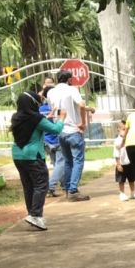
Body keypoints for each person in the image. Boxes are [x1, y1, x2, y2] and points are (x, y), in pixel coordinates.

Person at [9, 91, 64, 230]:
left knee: (28, 186)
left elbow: (33, 123)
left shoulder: (16, 117)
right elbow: (55, 129)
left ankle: (32, 214)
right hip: (33, 156)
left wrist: (46, 117)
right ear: (33, 104)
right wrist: (62, 118)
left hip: (18, 155)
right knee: (41, 185)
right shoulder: (37, 119)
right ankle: (35, 215)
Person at [47, 70, 90, 201]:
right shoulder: (72, 90)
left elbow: (55, 110)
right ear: (69, 80)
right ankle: (73, 190)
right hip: (73, 130)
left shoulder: (51, 92)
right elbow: (81, 104)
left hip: (60, 130)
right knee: (78, 160)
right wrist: (82, 122)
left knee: (67, 161)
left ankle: (67, 189)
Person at [113, 122, 135, 201]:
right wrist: (118, 164)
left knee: (132, 179)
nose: (125, 131)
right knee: (121, 180)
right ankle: (122, 193)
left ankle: (133, 193)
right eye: (123, 129)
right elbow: (116, 153)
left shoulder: (130, 139)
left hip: (130, 163)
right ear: (118, 130)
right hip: (122, 163)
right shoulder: (117, 140)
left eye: (126, 129)